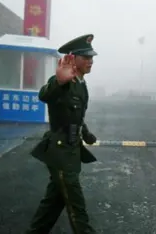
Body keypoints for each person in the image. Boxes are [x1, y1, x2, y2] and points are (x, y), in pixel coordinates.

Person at [25, 34, 99, 234]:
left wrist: (87, 133)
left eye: (92, 57)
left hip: (72, 150)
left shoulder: (81, 84)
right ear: (73, 58)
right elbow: (45, 95)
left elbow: (75, 115)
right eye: (86, 57)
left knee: (54, 203)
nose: (90, 61)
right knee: (76, 205)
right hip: (60, 152)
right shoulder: (63, 82)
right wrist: (58, 82)